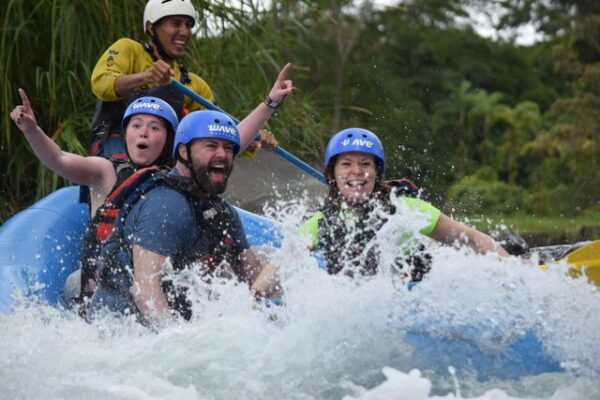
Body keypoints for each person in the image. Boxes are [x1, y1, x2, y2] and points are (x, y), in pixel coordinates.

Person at [89, 110, 282, 326]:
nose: (222, 155)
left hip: (178, 326)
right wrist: (184, 348)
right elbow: (145, 291)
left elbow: (254, 280)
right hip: (120, 329)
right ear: (183, 151)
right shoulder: (165, 205)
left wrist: (287, 266)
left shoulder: (222, 213)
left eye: (228, 148)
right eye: (210, 146)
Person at [300, 128, 508, 279]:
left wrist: (517, 269)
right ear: (332, 174)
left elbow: (471, 239)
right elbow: (274, 277)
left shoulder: (406, 210)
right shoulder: (320, 223)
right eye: (346, 164)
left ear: (377, 173)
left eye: (365, 164)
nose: (356, 171)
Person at [90, 0, 284, 158]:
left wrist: (251, 140)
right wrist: (146, 76)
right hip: (116, 149)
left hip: (164, 162)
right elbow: (101, 84)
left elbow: (217, 129)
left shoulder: (194, 84)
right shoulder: (128, 49)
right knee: (166, 91)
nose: (184, 31)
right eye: (176, 23)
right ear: (151, 28)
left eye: (188, 25)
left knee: (172, 94)